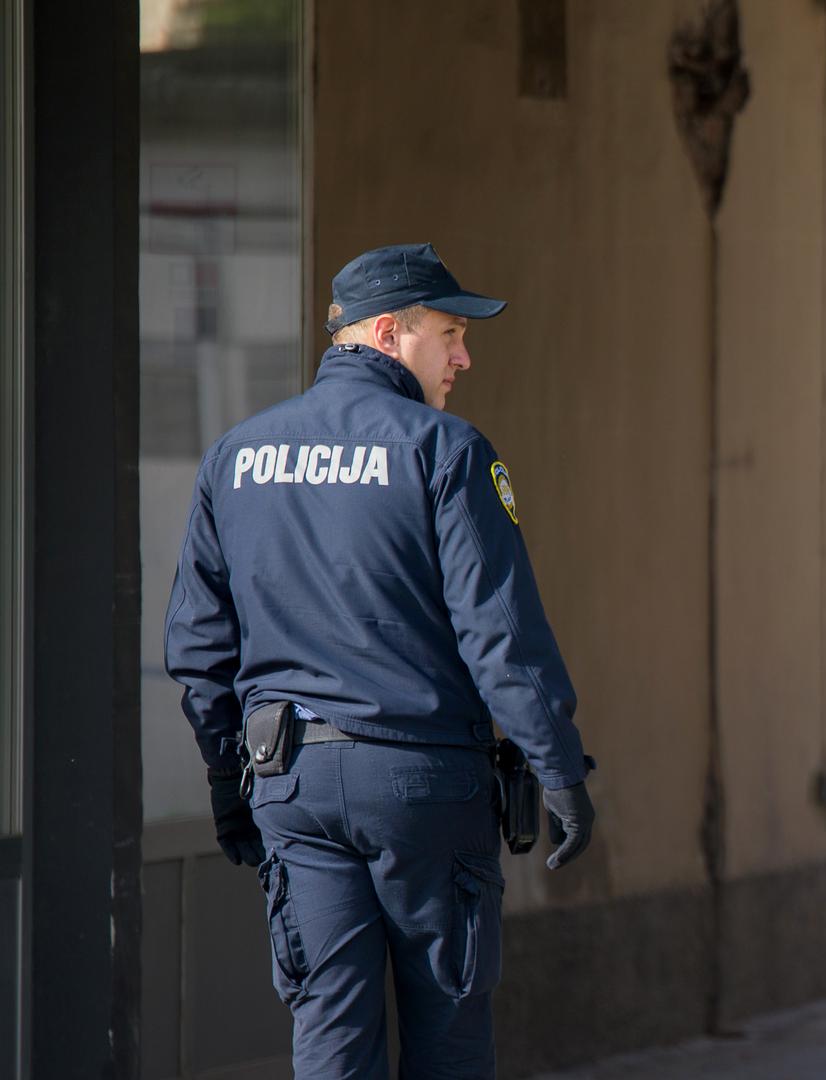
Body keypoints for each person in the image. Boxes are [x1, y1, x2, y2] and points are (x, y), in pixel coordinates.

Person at [165, 243, 596, 1078]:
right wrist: (561, 770)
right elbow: (500, 634)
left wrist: (227, 779)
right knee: (448, 1038)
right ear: (391, 332)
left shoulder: (236, 455)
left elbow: (198, 644)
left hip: (291, 786)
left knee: (331, 1037)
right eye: (450, 334)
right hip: (422, 787)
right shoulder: (446, 450)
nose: (464, 355)